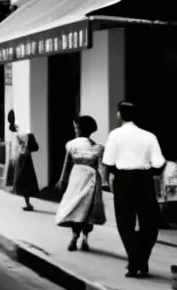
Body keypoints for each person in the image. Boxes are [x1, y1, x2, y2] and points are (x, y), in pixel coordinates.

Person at [103, 101, 165, 278]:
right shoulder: (149, 136)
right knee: (149, 222)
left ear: (120, 115)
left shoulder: (115, 135)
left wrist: (106, 182)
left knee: (125, 222)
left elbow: (108, 162)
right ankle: (142, 259)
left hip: (123, 180)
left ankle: (133, 260)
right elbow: (159, 163)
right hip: (144, 180)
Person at [55, 116, 106, 252]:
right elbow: (101, 167)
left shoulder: (71, 144)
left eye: (77, 128)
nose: (76, 130)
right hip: (91, 178)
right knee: (88, 209)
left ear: (82, 129)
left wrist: (62, 179)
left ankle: (75, 236)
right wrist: (105, 182)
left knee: (76, 206)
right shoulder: (99, 148)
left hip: (77, 177)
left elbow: (66, 164)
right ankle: (84, 237)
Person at [10, 115, 41, 211]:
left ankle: (27, 202)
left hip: (22, 158)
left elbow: (15, 149)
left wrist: (13, 158)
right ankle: (28, 202)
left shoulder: (18, 135)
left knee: (22, 179)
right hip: (27, 158)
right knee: (27, 179)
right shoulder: (27, 133)